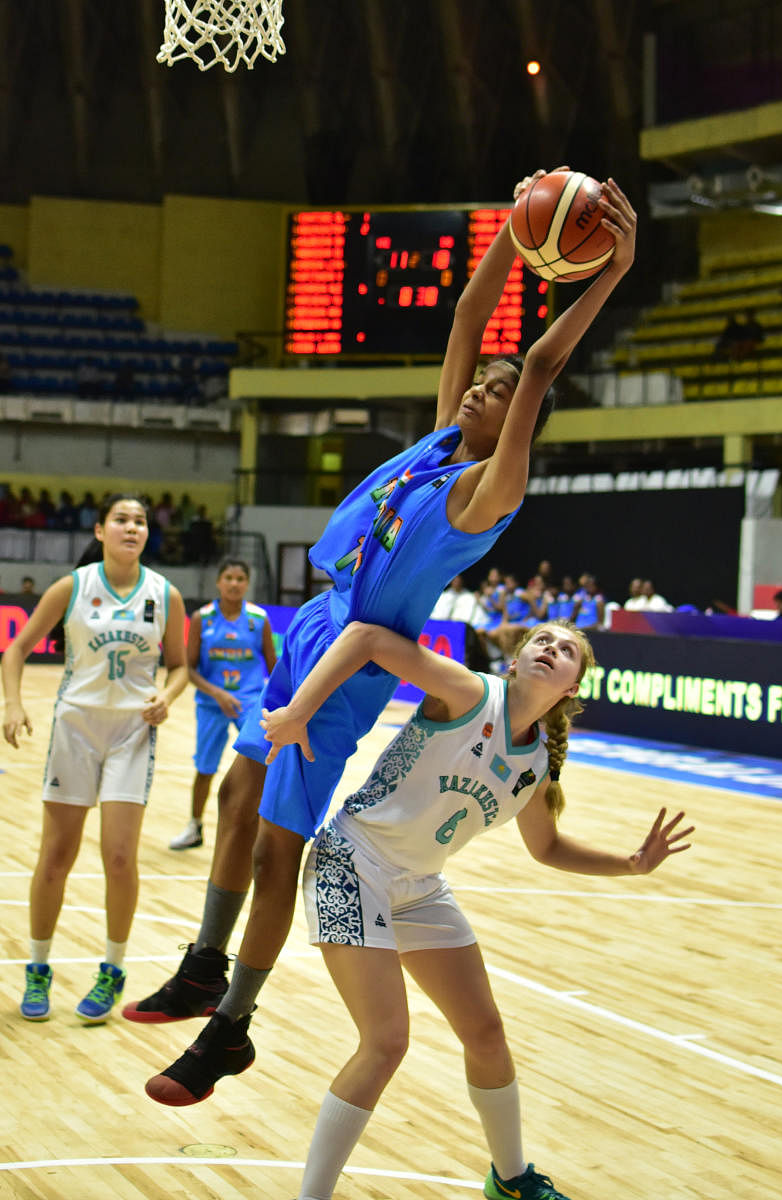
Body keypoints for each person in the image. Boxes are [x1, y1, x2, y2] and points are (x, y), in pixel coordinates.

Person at [132, 171, 638, 1106]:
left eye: (491, 393)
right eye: (476, 387)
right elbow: (466, 317)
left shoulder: (491, 489)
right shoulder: (444, 441)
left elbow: (533, 367)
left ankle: (232, 1025)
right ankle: (205, 962)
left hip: (358, 657)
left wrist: (613, 270)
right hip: (318, 621)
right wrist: (511, 226)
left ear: (511, 424)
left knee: (281, 844)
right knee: (238, 800)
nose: (479, 388)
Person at [253, 618, 693, 1200]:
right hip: (350, 860)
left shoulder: (535, 763)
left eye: (566, 651)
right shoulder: (467, 692)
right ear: (516, 659)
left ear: (570, 688)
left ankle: (510, 1180)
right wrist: (299, 711)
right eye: (542, 640)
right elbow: (365, 638)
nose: (551, 649)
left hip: (418, 885)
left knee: (486, 1032)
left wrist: (630, 864)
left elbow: (548, 848)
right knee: (386, 1042)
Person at [1, 494, 188, 1023]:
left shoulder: (164, 594)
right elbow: (15, 649)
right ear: (101, 530)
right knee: (55, 857)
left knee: (121, 857)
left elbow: (178, 667)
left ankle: (112, 969)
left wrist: (166, 697)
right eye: (122, 520)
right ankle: (37, 969)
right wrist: (12, 703)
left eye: (141, 521)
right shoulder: (74, 586)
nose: (132, 528)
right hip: (75, 730)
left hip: (132, 732)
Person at [169, 559, 277, 851]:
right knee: (205, 768)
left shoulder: (259, 618)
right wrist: (217, 693)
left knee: (261, 764)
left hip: (250, 702)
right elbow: (188, 669)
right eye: (228, 577)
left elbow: (274, 665)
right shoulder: (202, 618)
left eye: (240, 578)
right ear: (219, 582)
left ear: (247, 583)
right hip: (211, 703)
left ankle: (260, 829)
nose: (234, 583)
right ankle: (194, 826)